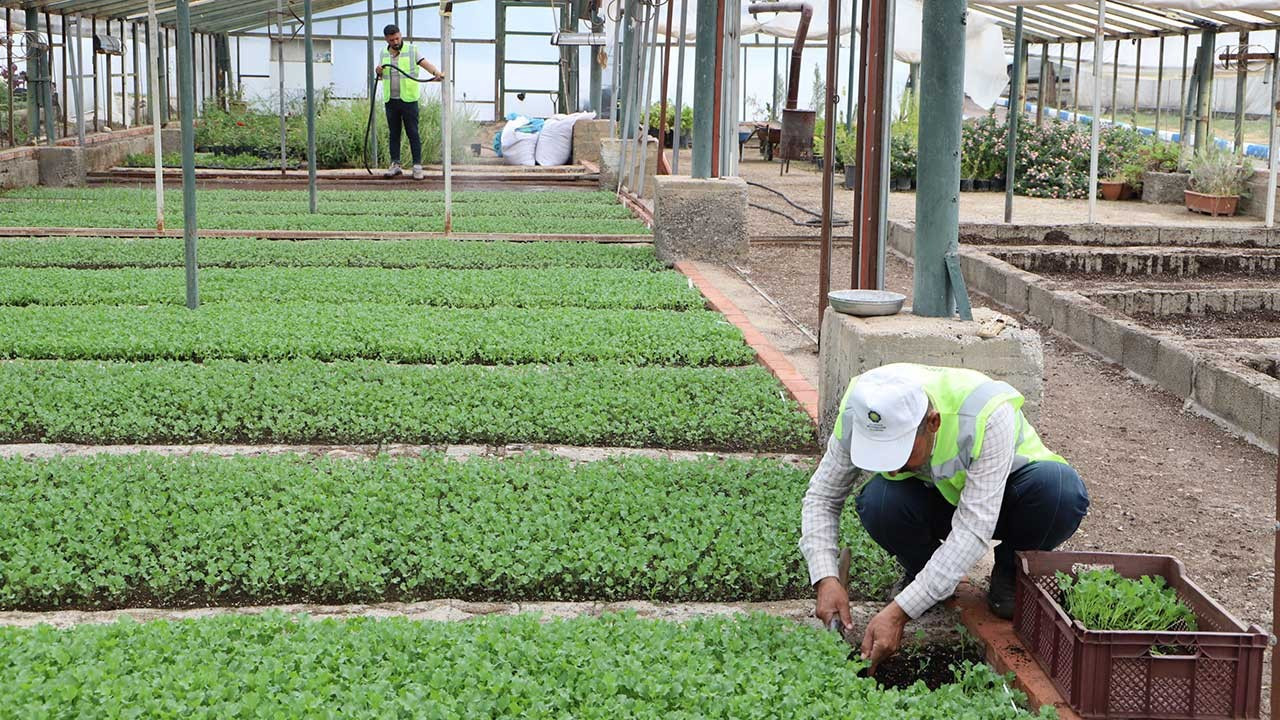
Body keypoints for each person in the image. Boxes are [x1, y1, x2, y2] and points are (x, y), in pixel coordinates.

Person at [800, 363, 1089, 674]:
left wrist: (899, 613)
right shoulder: (861, 408)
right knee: (880, 501)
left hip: (1008, 499)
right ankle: (924, 572)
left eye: (900, 453)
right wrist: (825, 577)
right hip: (936, 500)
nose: (893, 469)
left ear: (933, 423)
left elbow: (972, 531)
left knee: (1060, 490)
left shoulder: (987, 414)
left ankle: (1010, 572)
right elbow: (823, 497)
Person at [375, 23, 443, 180]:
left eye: (397, 38)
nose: (395, 42)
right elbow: (381, 75)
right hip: (391, 100)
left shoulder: (412, 50)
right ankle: (395, 165)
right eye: (392, 40)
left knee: (413, 132)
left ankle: (417, 166)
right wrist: (378, 71)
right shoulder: (383, 53)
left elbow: (425, 63)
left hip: (409, 100)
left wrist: (437, 73)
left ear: (401, 35)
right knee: (394, 133)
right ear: (386, 39)